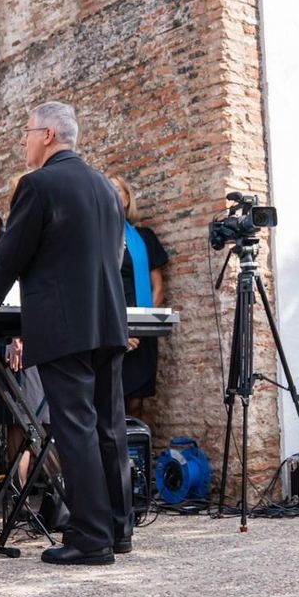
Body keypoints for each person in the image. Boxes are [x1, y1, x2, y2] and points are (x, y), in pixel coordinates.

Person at [0, 101, 130, 565]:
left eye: (25, 132)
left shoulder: (38, 185)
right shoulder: (104, 185)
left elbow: (12, 251)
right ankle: (118, 530)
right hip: (109, 322)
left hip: (65, 325)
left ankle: (89, 539)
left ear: (47, 135)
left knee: (75, 428)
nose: (22, 140)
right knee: (108, 428)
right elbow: (113, 256)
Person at [108, 174, 170, 416]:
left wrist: (138, 330)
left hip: (142, 331)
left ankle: (132, 454)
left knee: (135, 402)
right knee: (110, 401)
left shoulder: (144, 238)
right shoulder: (94, 240)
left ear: (126, 198)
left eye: (115, 189)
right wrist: (119, 330)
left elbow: (158, 288)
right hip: (109, 329)